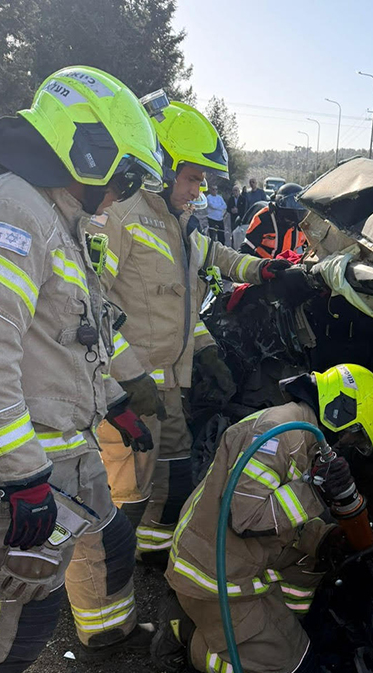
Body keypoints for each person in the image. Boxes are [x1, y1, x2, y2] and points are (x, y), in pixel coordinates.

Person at [0, 66, 164, 673]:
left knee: (74, 571)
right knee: (12, 619)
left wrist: (115, 400)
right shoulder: (15, 209)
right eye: (121, 177)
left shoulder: (60, 219)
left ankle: (101, 641)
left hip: (64, 454)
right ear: (84, 149)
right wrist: (21, 473)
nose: (121, 194)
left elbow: (74, 340)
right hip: (21, 467)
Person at [94, 95, 298, 565]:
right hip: (130, 388)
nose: (197, 188)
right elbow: (91, 310)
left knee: (174, 480)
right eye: (192, 177)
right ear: (160, 165)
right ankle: (105, 599)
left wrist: (264, 271)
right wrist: (121, 384)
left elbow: (212, 265)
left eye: (202, 180)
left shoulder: (177, 223)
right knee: (128, 495)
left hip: (167, 386)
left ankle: (151, 559)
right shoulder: (120, 218)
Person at [151, 364, 373, 673]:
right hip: (212, 576)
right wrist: (315, 491)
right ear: (341, 412)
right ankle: (188, 636)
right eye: (355, 435)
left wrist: (325, 538)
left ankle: (282, 621)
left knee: (318, 553)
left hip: (234, 556)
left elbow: (282, 518)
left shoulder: (304, 437)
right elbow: (246, 519)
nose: (349, 444)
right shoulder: (279, 434)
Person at [240, 183, 307, 259]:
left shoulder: (305, 222)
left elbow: (314, 248)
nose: (290, 223)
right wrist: (260, 266)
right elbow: (245, 249)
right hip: (263, 264)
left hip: (290, 266)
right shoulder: (263, 218)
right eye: (291, 203)